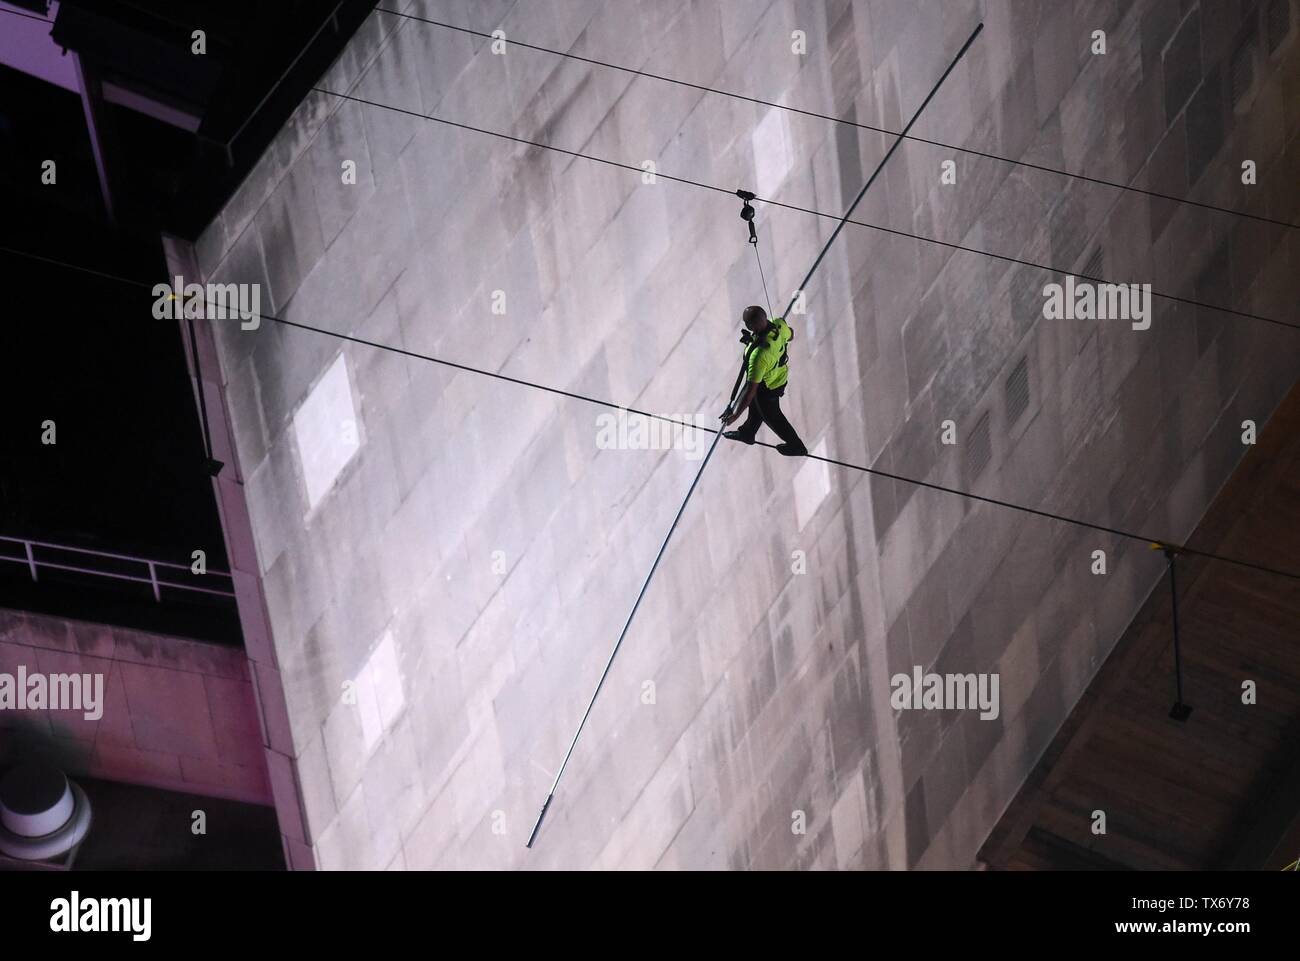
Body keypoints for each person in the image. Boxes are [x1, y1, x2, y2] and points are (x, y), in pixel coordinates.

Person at [720, 305, 808, 456]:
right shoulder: (779, 325)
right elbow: (790, 334)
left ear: (751, 326)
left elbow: (749, 391)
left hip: (768, 387)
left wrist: (734, 415)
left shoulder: (758, 356)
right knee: (756, 406)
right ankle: (748, 432)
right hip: (778, 377)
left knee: (772, 416)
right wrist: (756, 339)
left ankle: (796, 446)